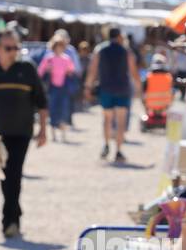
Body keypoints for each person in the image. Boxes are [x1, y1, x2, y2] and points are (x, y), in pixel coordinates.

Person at [0, 28, 48, 238]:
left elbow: (41, 101)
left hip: (21, 133)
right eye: (9, 48)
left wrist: (43, 130)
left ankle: (10, 221)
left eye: (16, 47)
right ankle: (14, 210)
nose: (13, 52)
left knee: (14, 173)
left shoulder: (27, 68)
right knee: (4, 176)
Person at [84, 27, 141, 162]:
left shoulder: (100, 50)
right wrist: (139, 89)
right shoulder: (126, 51)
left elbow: (92, 70)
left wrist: (87, 87)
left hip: (106, 89)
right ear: (119, 36)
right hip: (122, 89)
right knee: (121, 122)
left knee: (107, 119)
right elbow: (133, 72)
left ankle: (106, 145)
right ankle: (119, 151)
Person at [38, 31, 78, 142]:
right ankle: (54, 134)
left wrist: (68, 72)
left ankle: (63, 134)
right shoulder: (48, 58)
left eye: (61, 46)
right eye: (57, 46)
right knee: (52, 110)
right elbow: (40, 72)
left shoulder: (66, 59)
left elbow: (72, 71)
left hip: (63, 88)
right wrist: (47, 70)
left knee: (64, 110)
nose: (59, 49)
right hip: (52, 88)